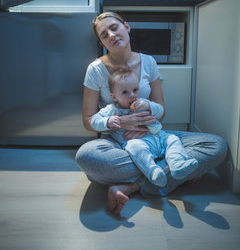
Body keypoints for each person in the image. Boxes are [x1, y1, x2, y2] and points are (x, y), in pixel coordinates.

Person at [75, 12, 227, 215]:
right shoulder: (95, 69)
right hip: (120, 142)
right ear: (102, 42)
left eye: (114, 27)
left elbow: (160, 110)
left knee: (216, 145)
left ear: (126, 27)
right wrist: (123, 122)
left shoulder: (149, 62)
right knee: (86, 156)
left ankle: (131, 186)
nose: (111, 35)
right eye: (104, 35)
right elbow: (88, 120)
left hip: (155, 135)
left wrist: (147, 116)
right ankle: (174, 168)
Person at [91, 67, 198, 187]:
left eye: (135, 90)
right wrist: (108, 121)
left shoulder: (143, 102)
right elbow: (94, 121)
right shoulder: (111, 110)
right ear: (114, 96)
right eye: (125, 92)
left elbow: (160, 110)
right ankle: (153, 172)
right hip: (136, 142)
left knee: (173, 139)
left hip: (158, 138)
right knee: (135, 147)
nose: (132, 95)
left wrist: (149, 106)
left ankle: (177, 165)